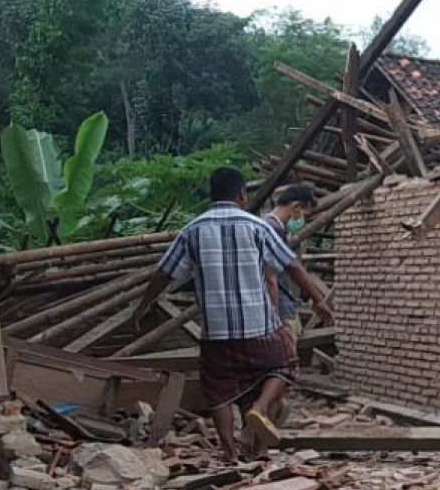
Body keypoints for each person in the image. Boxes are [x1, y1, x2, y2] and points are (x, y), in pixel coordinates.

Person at [132, 167, 334, 461]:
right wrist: (318, 298)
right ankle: (259, 408)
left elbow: (163, 273)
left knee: (219, 392)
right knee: (283, 368)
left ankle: (229, 452)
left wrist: (143, 306)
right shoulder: (258, 227)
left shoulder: (192, 231)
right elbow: (291, 265)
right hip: (259, 325)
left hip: (216, 331)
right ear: (242, 194)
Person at [263, 184, 317, 343]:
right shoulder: (272, 230)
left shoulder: (267, 227)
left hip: (279, 306)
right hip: (280, 308)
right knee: (287, 360)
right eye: (303, 215)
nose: (301, 220)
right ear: (296, 207)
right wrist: (274, 317)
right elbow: (271, 278)